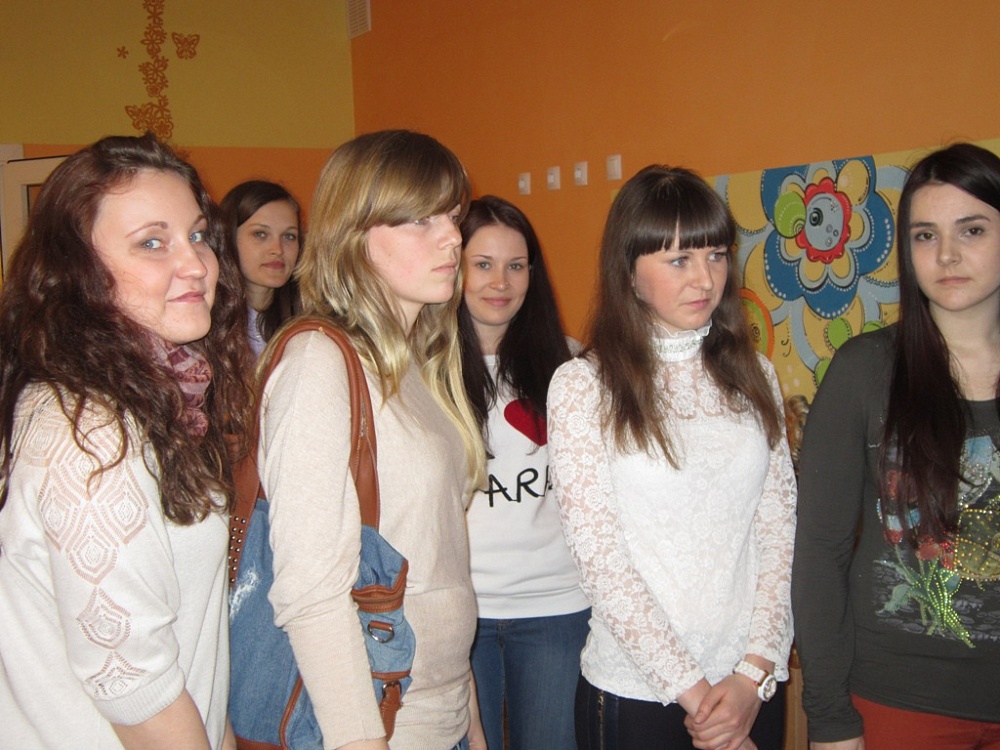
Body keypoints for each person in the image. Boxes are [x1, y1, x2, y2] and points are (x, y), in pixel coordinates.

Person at [0, 133, 252, 749]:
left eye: (198, 235)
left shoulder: (157, 396)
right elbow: (135, 688)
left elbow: (194, 645)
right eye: (152, 243)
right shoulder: (88, 431)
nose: (197, 265)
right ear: (76, 272)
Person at [548, 165, 797, 750]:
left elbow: (778, 528)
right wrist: (701, 700)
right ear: (630, 274)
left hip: (750, 688)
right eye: (679, 259)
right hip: (641, 693)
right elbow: (601, 562)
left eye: (716, 255)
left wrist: (752, 674)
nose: (705, 278)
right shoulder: (583, 385)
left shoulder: (755, 374)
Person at [254, 130, 487, 750]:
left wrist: (469, 719)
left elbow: (437, 563)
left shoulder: (416, 363)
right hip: (378, 720)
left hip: (439, 707)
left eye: (453, 215)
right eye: (420, 219)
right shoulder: (319, 362)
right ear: (354, 235)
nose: (453, 237)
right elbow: (310, 593)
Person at [792, 143, 1000, 750]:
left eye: (972, 230)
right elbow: (819, 553)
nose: (947, 255)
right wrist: (829, 717)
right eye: (925, 236)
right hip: (899, 701)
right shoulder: (865, 371)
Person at [459, 195, 590, 750]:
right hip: (462, 612)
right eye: (483, 264)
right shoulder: (419, 370)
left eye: (515, 265)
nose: (501, 282)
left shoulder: (573, 366)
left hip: (556, 607)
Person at [219, 180, 302, 357]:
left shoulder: (308, 324)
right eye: (260, 234)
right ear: (228, 237)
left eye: (289, 236)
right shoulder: (208, 327)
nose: (277, 249)